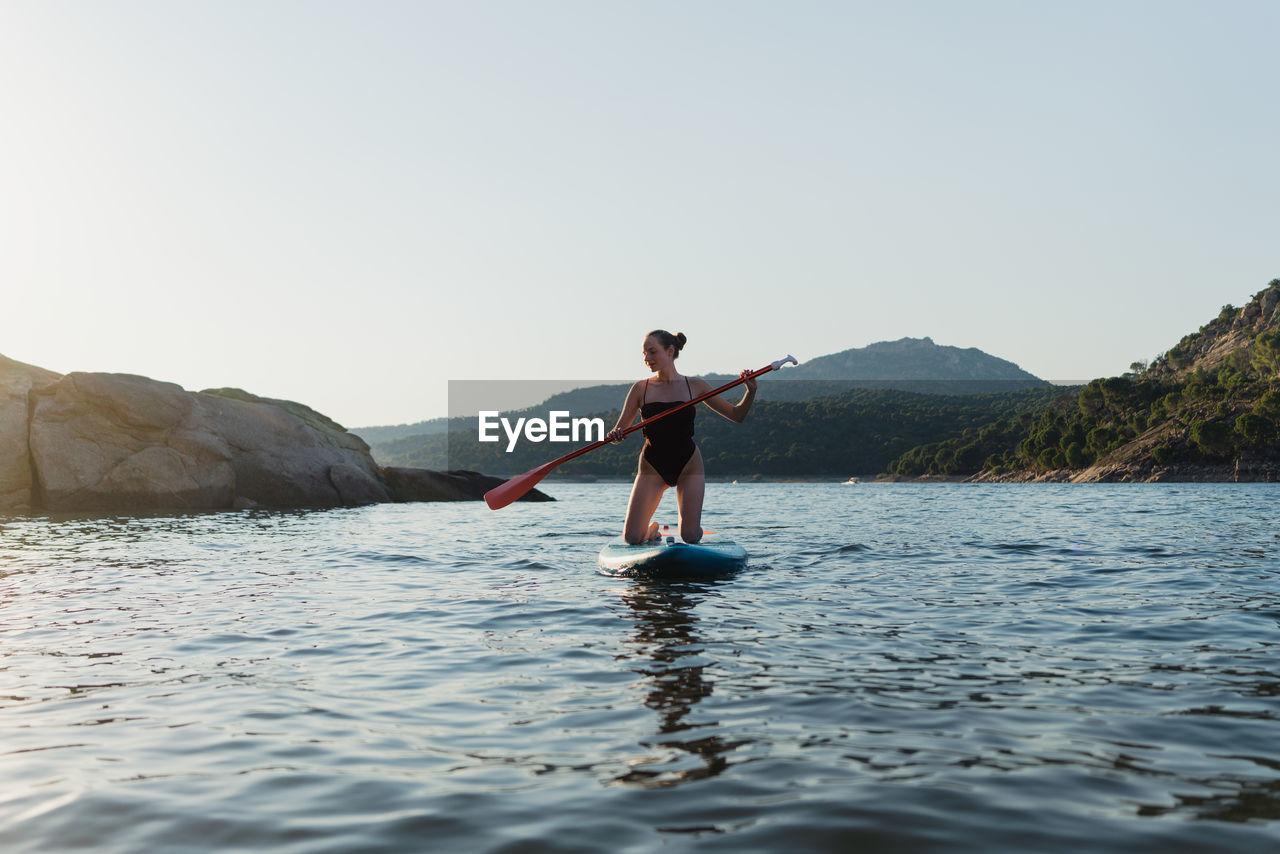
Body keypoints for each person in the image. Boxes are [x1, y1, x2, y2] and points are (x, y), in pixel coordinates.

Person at [605, 330, 757, 545]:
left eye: (652, 352)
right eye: (644, 353)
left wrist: (750, 392)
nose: (646, 358)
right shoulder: (640, 389)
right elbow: (619, 433)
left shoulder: (694, 385)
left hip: (689, 465)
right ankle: (652, 531)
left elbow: (736, 415)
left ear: (670, 351)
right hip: (652, 465)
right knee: (632, 538)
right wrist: (616, 434)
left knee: (690, 536)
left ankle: (695, 528)